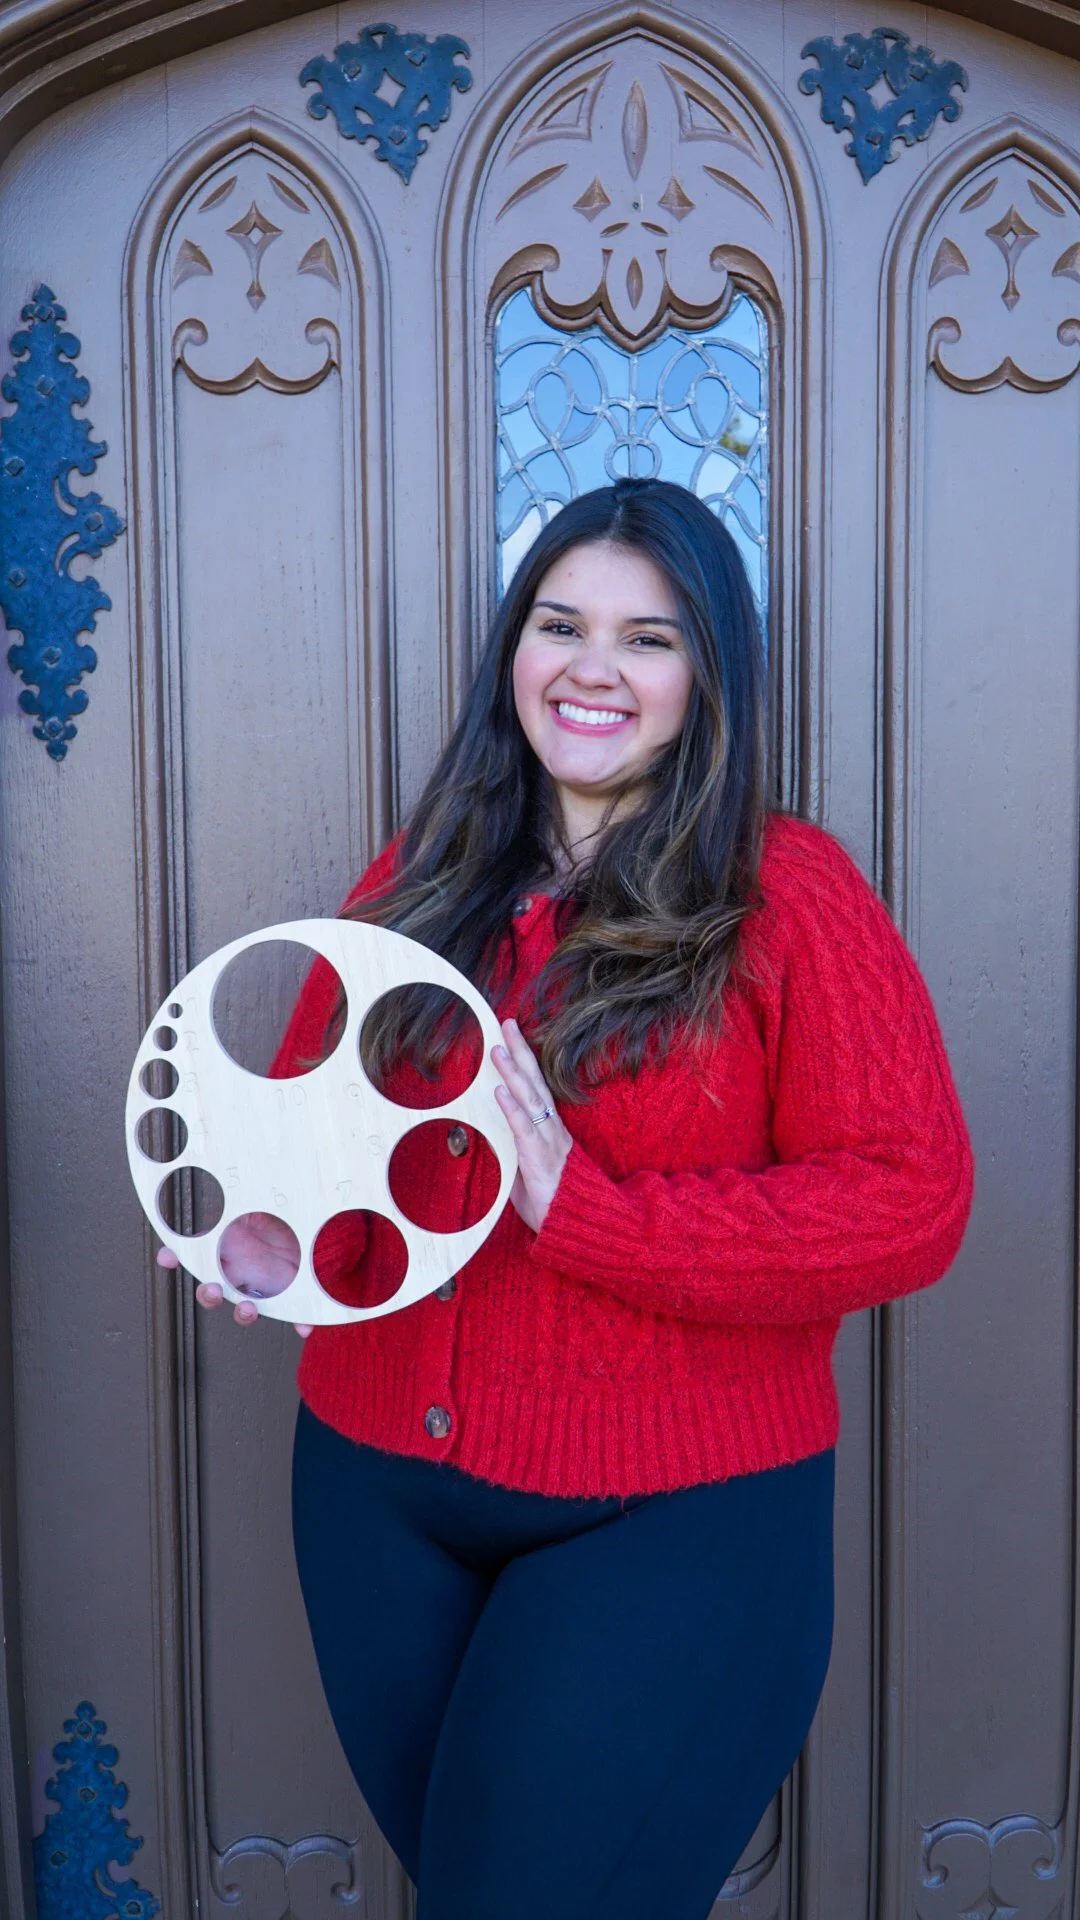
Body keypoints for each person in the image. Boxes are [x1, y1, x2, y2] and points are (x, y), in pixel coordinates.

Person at [159, 478, 974, 1920]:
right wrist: (275, 1240)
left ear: (707, 678)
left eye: (649, 638)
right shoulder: (422, 878)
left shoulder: (787, 894)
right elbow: (319, 1152)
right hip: (373, 1499)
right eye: (561, 624)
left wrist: (580, 1205)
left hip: (671, 1526)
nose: (595, 666)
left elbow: (911, 1204)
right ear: (513, 654)